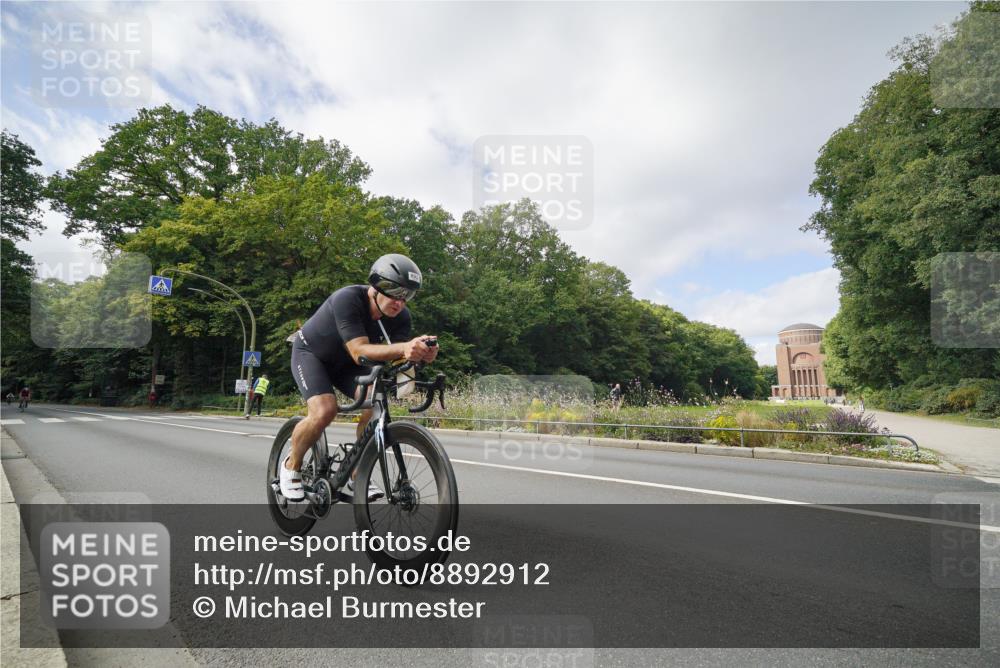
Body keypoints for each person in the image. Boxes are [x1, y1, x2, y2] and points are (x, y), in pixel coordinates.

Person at [282, 254, 439, 501]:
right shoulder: (348, 299)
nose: (400, 301)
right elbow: (358, 351)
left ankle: (358, 475)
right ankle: (292, 466)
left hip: (347, 366)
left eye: (407, 295)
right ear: (376, 286)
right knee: (324, 411)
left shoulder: (401, 318)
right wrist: (404, 348)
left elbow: (396, 357)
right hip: (312, 355)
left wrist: (420, 356)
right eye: (394, 292)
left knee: (374, 404)